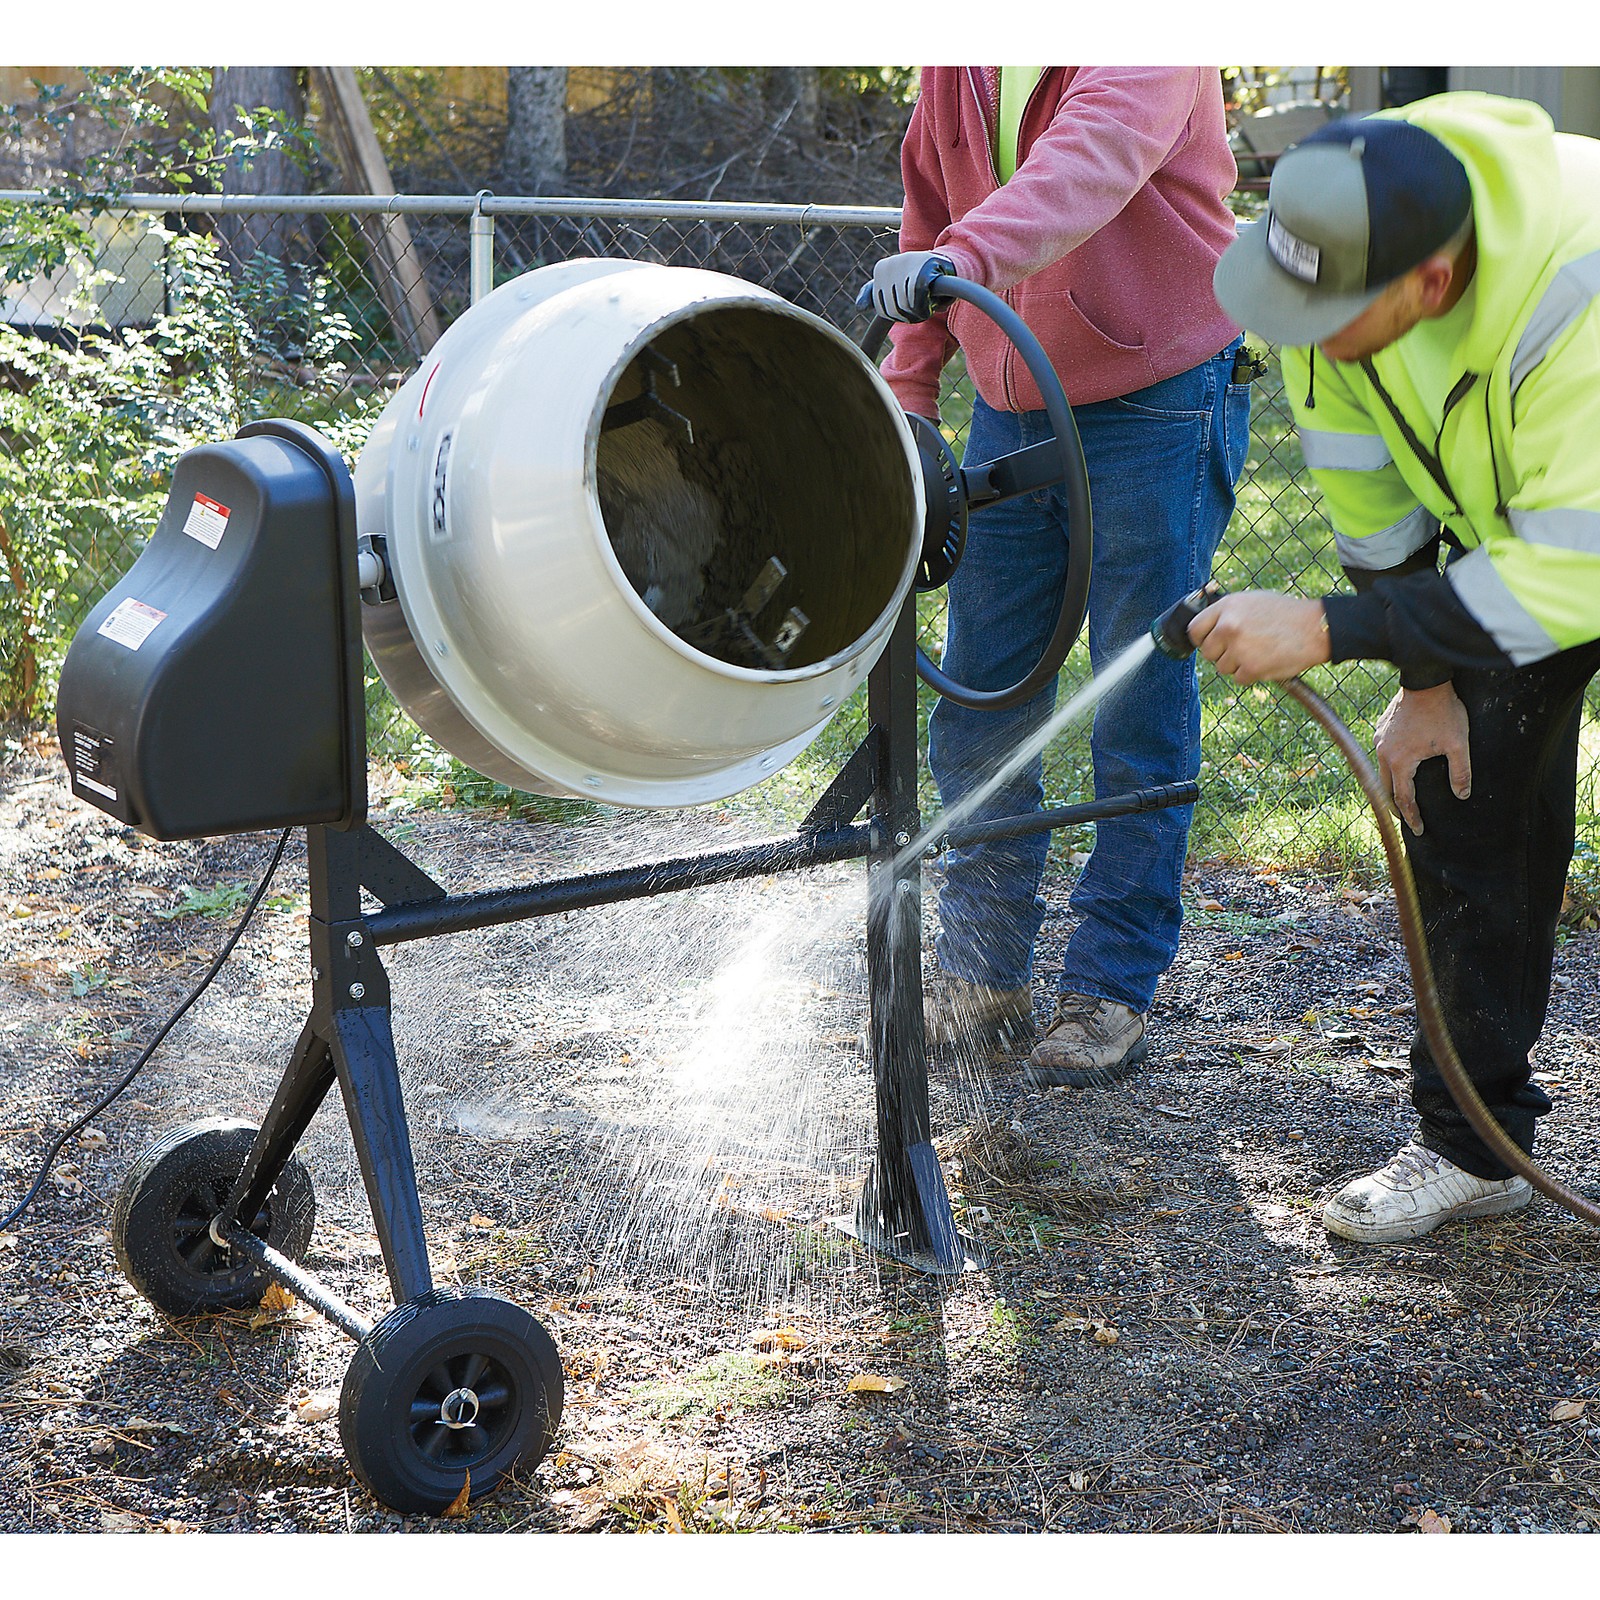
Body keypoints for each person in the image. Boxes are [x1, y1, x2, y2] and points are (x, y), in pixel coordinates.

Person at [1203, 91, 1600, 1243]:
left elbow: (1579, 569)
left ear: (1429, 286)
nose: (1291, 328)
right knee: (1456, 790)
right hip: (1533, 524)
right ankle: (1474, 1148)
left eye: (1318, 312)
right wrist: (1421, 686)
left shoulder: (1577, 280)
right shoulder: (1336, 268)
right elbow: (1368, 495)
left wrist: (1330, 629)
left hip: (1579, 523)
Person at [866, 67, 1252, 1090]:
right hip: (1009, 400)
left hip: (1154, 396)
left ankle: (1111, 982)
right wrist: (908, 384)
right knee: (983, 694)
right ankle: (986, 967)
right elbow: (926, 207)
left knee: (1134, 697)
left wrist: (960, 258)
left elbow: (1088, 162)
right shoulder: (956, 58)